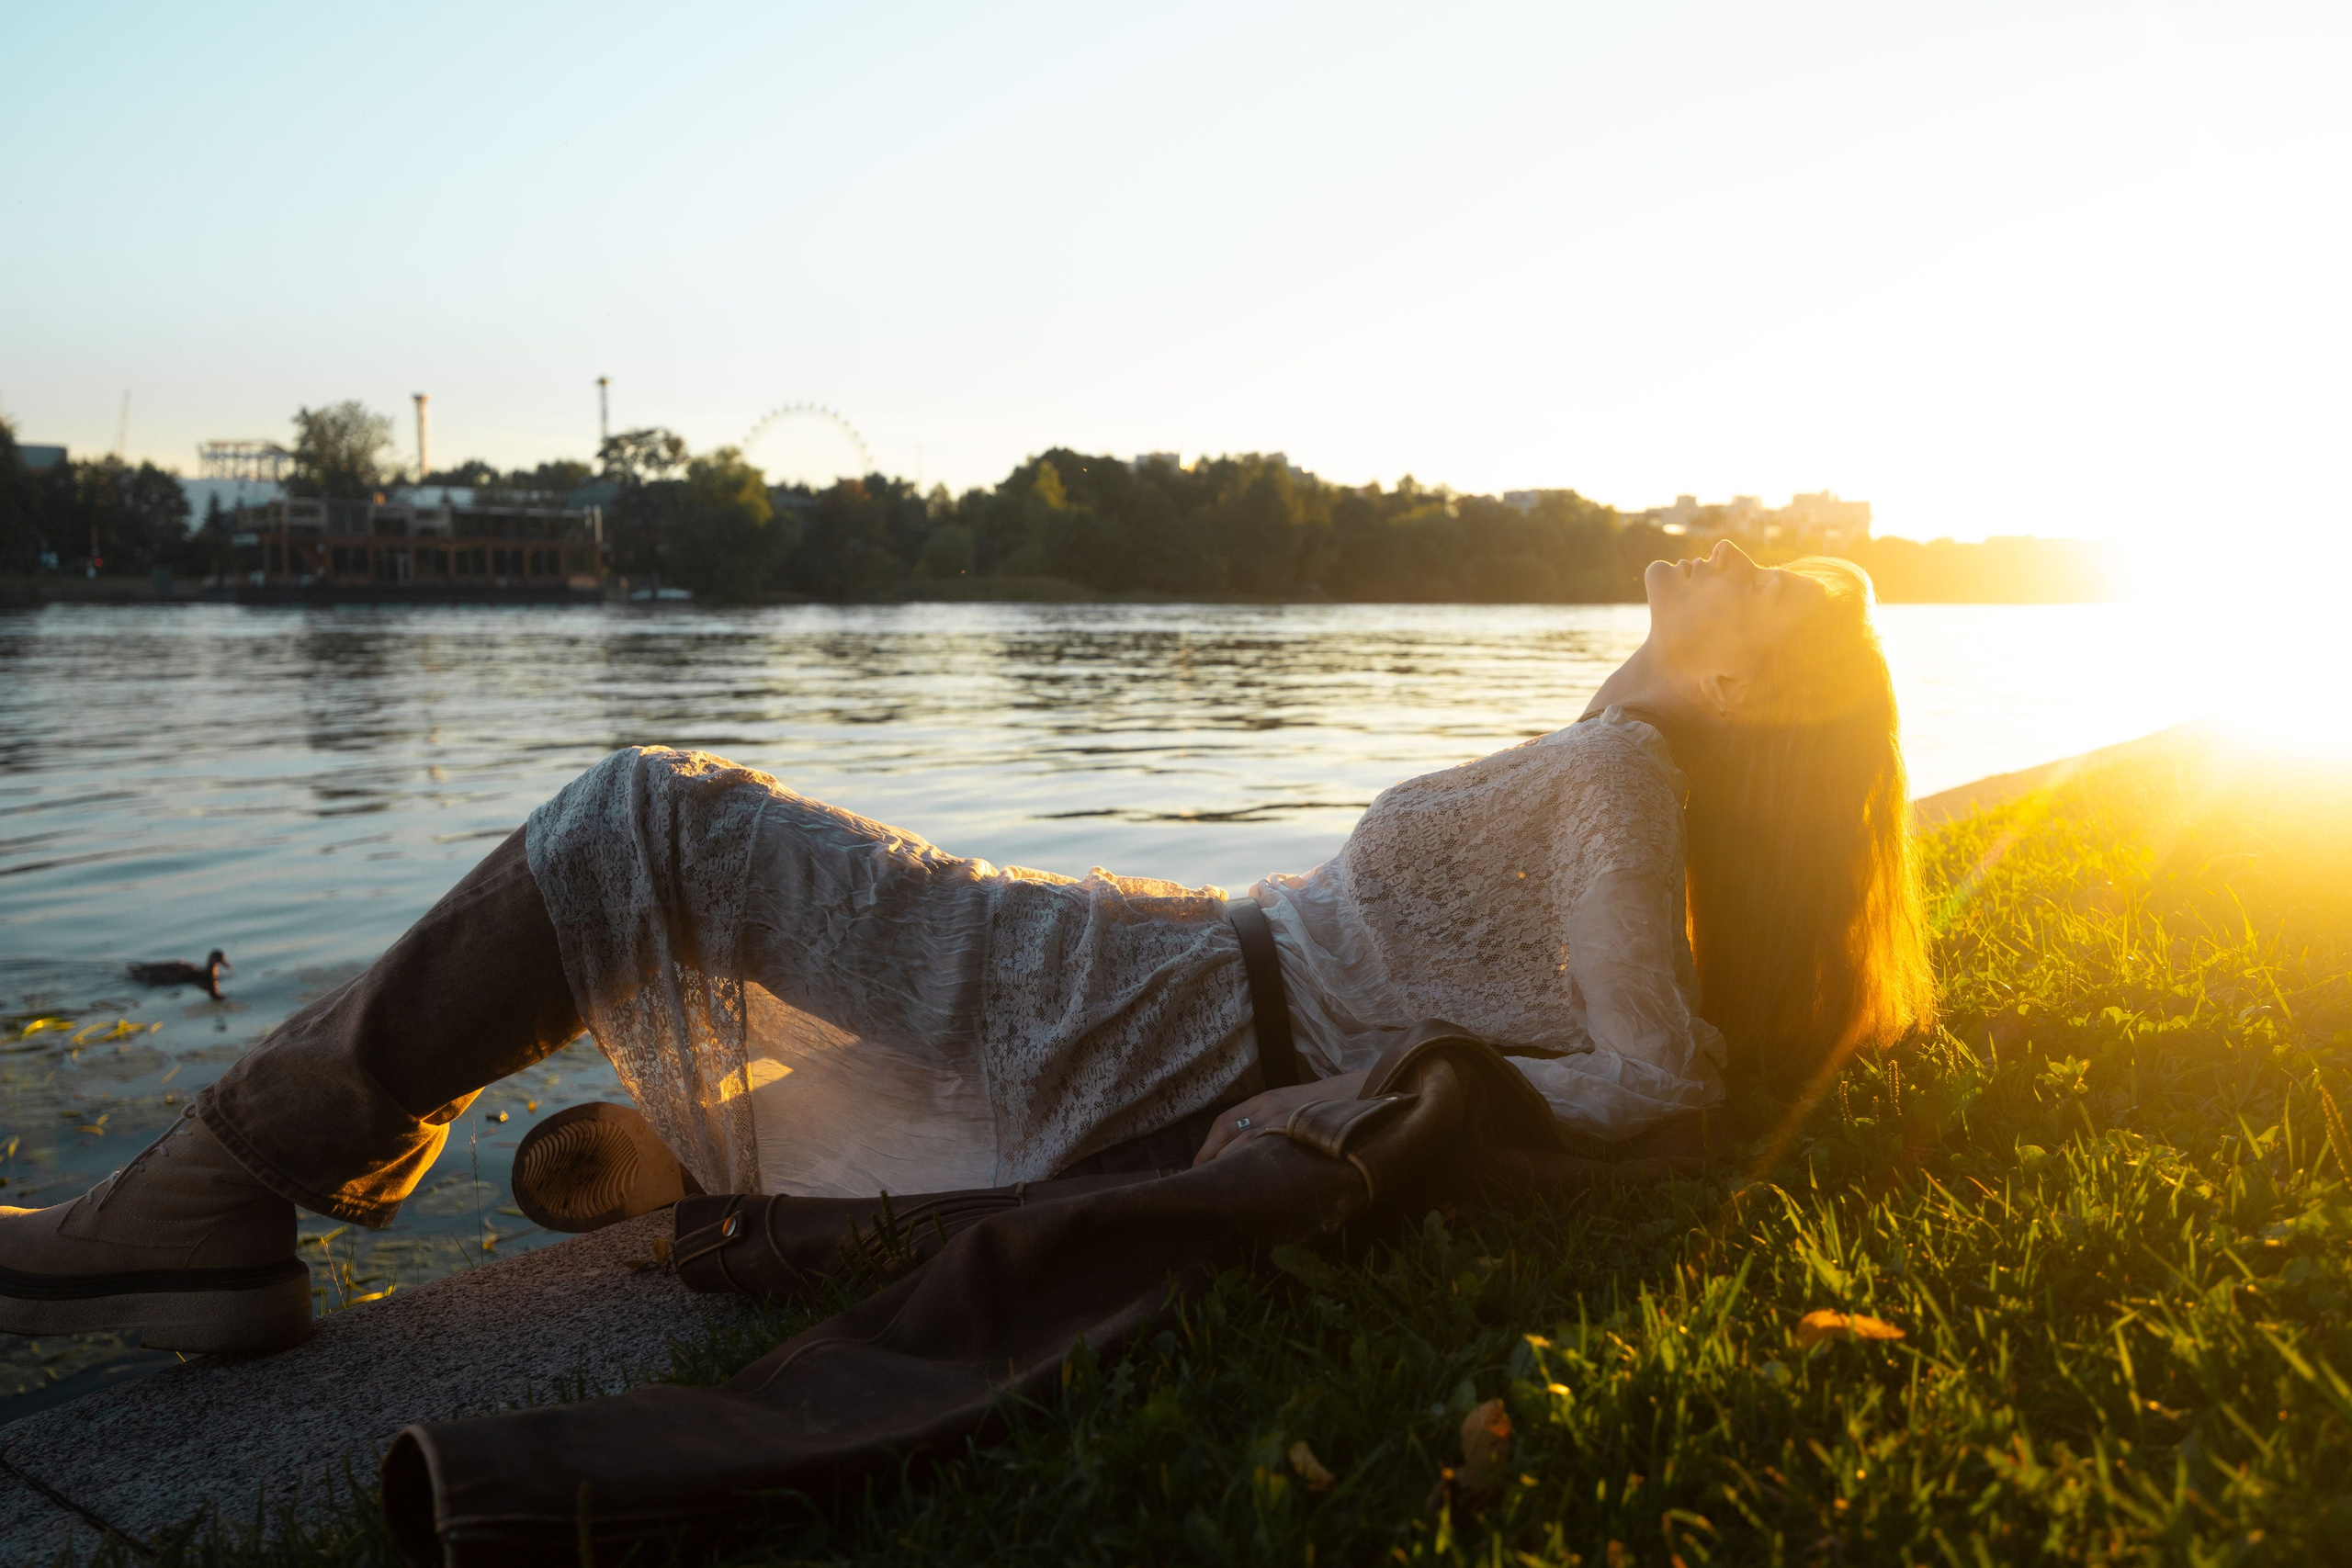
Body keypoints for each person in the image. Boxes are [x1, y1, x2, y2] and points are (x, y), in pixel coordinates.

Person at [0, 541, 1934, 1353]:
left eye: (1747, 575)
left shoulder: (1615, 774)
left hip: (1164, 1013)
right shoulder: (1619, 752)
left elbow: (1662, 1080)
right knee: (673, 874)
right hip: (1170, 975)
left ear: (1745, 671)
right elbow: (1601, 865)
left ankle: (213, 1184)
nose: (1710, 550)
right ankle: (320, 1173)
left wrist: (1383, 1089)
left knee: (645, 813)